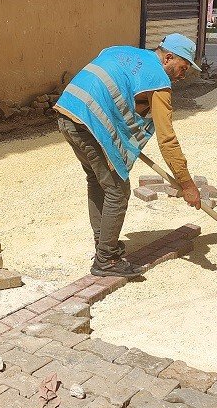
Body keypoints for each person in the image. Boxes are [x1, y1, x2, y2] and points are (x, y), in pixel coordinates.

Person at [55, 34, 201, 278]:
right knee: (118, 191)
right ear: (168, 57)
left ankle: (104, 245)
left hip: (68, 111)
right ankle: (106, 260)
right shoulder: (158, 80)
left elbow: (112, 76)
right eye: (182, 68)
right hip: (87, 123)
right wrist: (187, 183)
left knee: (98, 181)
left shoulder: (128, 52)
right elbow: (167, 140)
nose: (182, 75)